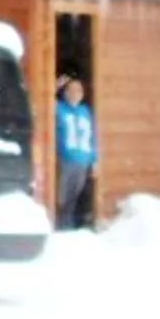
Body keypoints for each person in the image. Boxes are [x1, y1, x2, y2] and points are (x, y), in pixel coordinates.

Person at [54, 76, 98, 230]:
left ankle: (70, 226)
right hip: (65, 160)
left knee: (75, 197)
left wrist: (94, 161)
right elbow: (43, 104)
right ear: (65, 92)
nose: (75, 93)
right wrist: (54, 87)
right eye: (71, 90)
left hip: (83, 161)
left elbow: (93, 136)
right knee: (62, 197)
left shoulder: (86, 111)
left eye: (78, 90)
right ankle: (62, 226)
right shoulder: (59, 108)